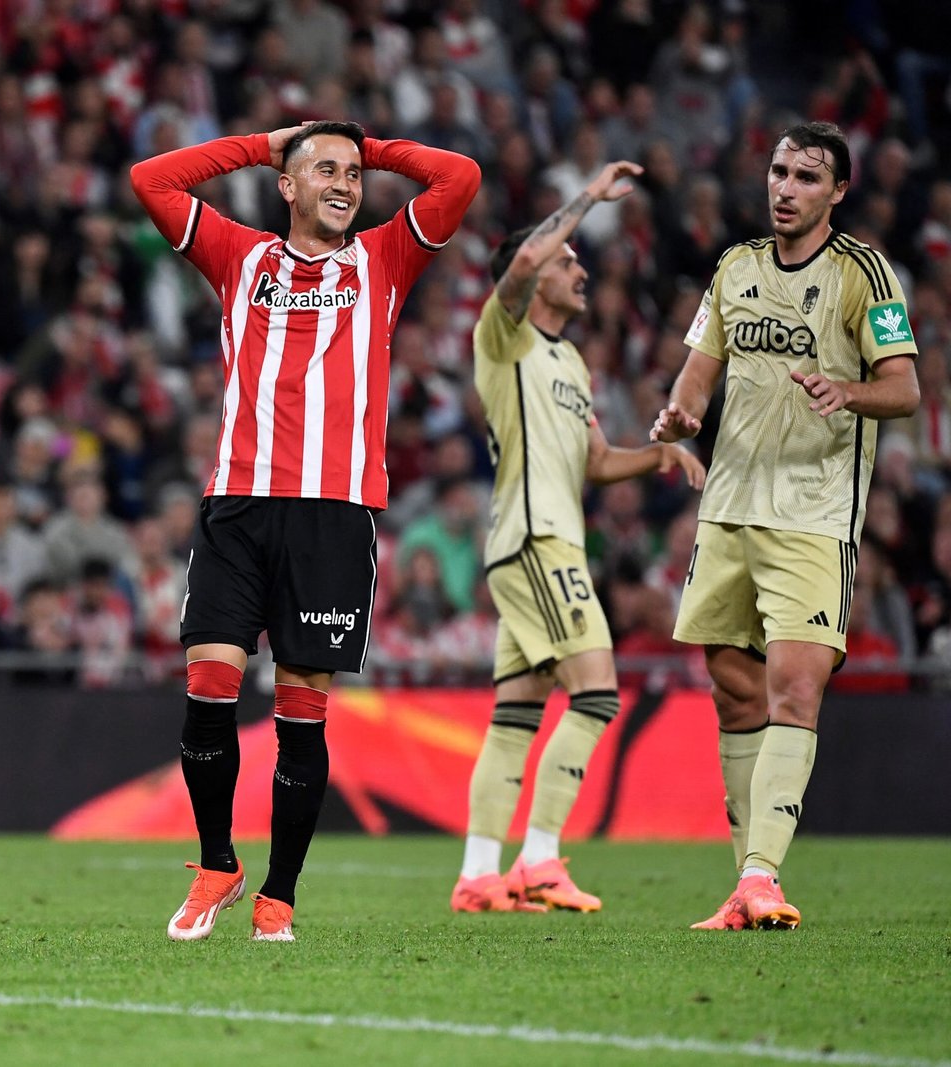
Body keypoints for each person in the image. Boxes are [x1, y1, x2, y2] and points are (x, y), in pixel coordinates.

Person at [131, 120, 481, 942]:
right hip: (238, 506)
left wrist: (376, 146)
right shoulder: (240, 257)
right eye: (324, 169)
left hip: (333, 513)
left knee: (302, 712)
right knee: (209, 683)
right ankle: (218, 862)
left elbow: (459, 176)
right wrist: (264, 143)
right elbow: (152, 179)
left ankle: (279, 893)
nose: (345, 182)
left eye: (354, 173)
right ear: (286, 187)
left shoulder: (385, 260)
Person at [651, 121, 921, 930]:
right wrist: (680, 415)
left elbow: (904, 388)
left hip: (812, 513)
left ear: (837, 191)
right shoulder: (735, 267)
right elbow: (699, 376)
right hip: (730, 507)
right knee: (734, 694)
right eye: (778, 171)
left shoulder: (863, 273)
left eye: (807, 176)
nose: (785, 188)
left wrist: (850, 392)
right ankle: (748, 883)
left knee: (795, 689)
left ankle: (764, 874)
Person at [452, 161, 705, 914]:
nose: (579, 265)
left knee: (516, 716)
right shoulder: (503, 337)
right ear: (529, 280)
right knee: (596, 693)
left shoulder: (572, 363)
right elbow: (526, 256)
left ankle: (477, 875)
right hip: (537, 542)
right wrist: (588, 198)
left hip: (542, 542)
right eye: (568, 259)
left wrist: (656, 453)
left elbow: (595, 462)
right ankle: (537, 858)